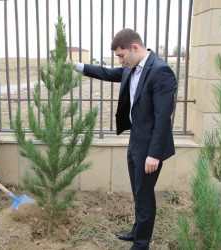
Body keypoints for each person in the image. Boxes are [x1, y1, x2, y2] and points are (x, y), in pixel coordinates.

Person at [74, 28, 177, 250]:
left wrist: (154, 154)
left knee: (145, 195)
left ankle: (141, 244)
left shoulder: (161, 71)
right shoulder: (131, 68)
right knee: (138, 190)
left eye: (121, 56)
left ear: (135, 48)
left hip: (150, 146)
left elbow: (163, 119)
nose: (120, 61)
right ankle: (136, 231)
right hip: (136, 140)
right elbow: (107, 73)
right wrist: (76, 66)